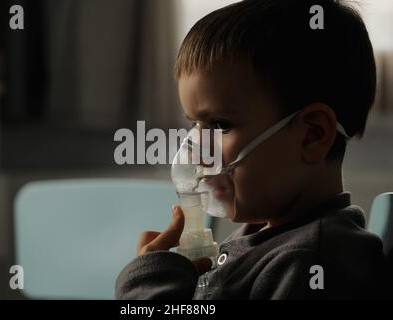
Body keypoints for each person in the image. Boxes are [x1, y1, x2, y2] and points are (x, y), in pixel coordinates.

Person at [115, 0, 389, 299]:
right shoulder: (262, 238)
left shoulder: (312, 263)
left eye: (219, 125)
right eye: (195, 124)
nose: (196, 152)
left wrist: (151, 284)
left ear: (312, 135)